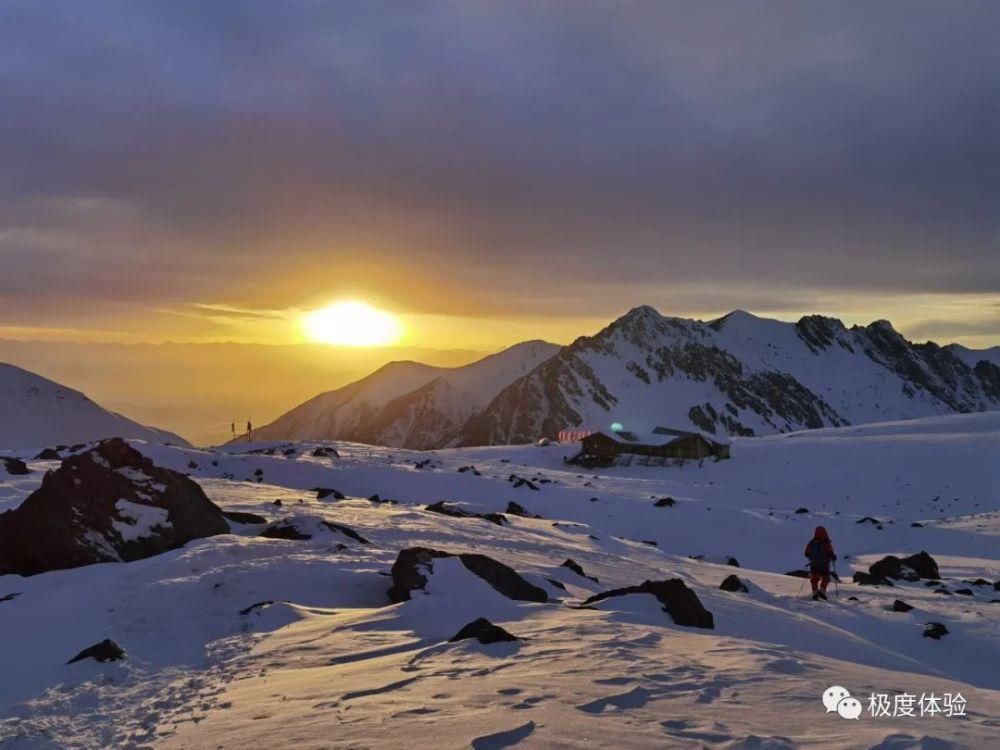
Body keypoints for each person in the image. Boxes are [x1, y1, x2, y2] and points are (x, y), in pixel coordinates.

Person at [804, 526, 837, 600]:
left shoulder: (812, 542)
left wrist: (811, 557)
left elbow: (806, 553)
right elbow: (830, 552)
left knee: (815, 579)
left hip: (814, 564)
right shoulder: (826, 542)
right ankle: (822, 591)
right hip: (824, 564)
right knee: (826, 578)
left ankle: (815, 593)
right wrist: (833, 556)